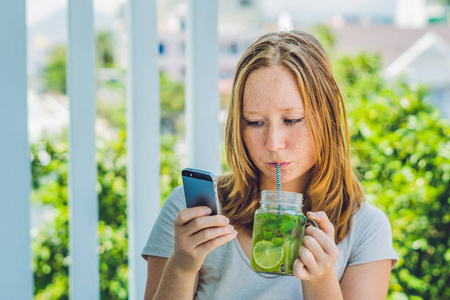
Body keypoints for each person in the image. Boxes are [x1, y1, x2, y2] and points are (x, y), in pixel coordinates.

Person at [142, 30, 398, 300]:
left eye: (292, 120)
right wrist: (182, 266)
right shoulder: (191, 213)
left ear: (327, 117)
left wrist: (321, 279)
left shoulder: (366, 229)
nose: (273, 143)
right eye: (254, 122)